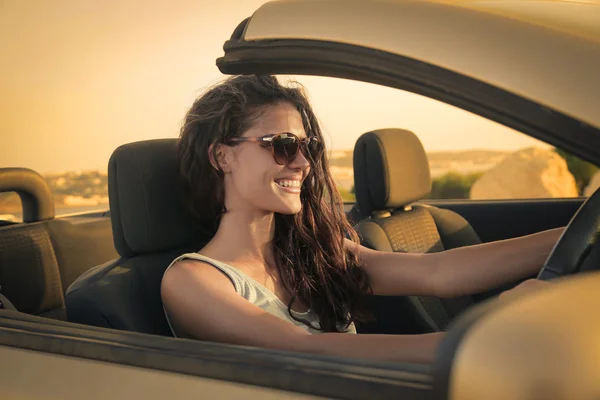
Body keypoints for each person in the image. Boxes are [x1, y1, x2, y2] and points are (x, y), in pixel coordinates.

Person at [161, 75, 563, 364]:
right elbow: (307, 350)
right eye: (282, 146)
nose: (302, 162)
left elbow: (439, 273)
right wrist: (482, 339)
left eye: (308, 146)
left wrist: (571, 237)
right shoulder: (193, 281)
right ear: (222, 156)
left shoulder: (311, 252)